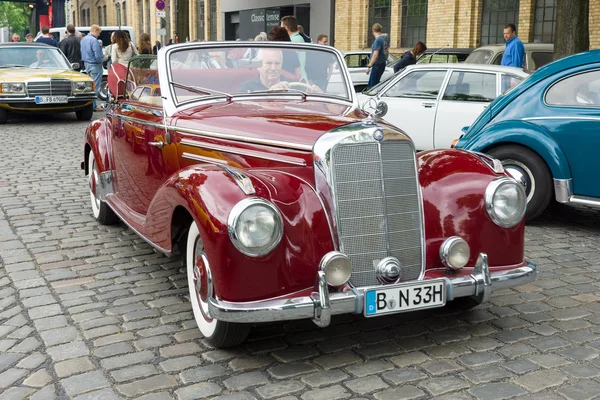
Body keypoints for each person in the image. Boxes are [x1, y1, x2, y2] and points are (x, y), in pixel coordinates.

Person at [239, 48, 320, 93]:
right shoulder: (247, 88)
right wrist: (270, 92)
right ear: (259, 66)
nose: (273, 68)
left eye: (277, 63)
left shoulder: (294, 86)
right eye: (269, 63)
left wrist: (317, 94)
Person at [81, 25, 105, 111]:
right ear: (95, 30)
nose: (99, 35)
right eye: (98, 33)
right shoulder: (94, 40)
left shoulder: (84, 39)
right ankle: (93, 106)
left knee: (90, 86)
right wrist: (100, 61)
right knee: (95, 86)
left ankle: (90, 105)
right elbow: (97, 54)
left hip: (87, 63)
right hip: (95, 64)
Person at [365, 23, 387, 88]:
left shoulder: (377, 40)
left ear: (373, 30)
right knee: (375, 83)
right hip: (382, 63)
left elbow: (375, 55)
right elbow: (387, 51)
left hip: (377, 65)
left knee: (372, 86)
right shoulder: (384, 39)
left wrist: (369, 66)